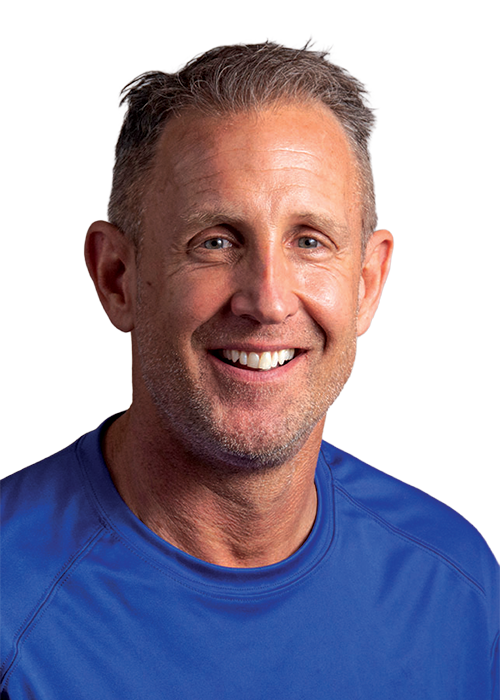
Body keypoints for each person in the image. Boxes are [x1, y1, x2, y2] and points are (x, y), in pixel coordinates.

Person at [0, 40, 498, 699]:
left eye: (310, 241)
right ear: (117, 278)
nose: (267, 300)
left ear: (367, 283)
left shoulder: (455, 585)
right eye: (215, 242)